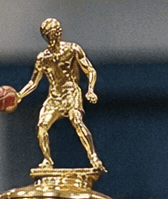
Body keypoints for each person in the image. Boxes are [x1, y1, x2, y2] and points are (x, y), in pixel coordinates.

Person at [13, 17, 104, 172]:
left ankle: (94, 158)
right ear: (46, 36)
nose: (54, 37)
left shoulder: (72, 49)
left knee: (76, 120)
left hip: (71, 93)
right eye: (50, 34)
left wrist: (90, 89)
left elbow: (90, 70)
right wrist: (19, 95)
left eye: (56, 33)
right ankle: (47, 161)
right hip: (54, 97)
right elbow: (33, 82)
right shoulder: (43, 58)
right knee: (42, 126)